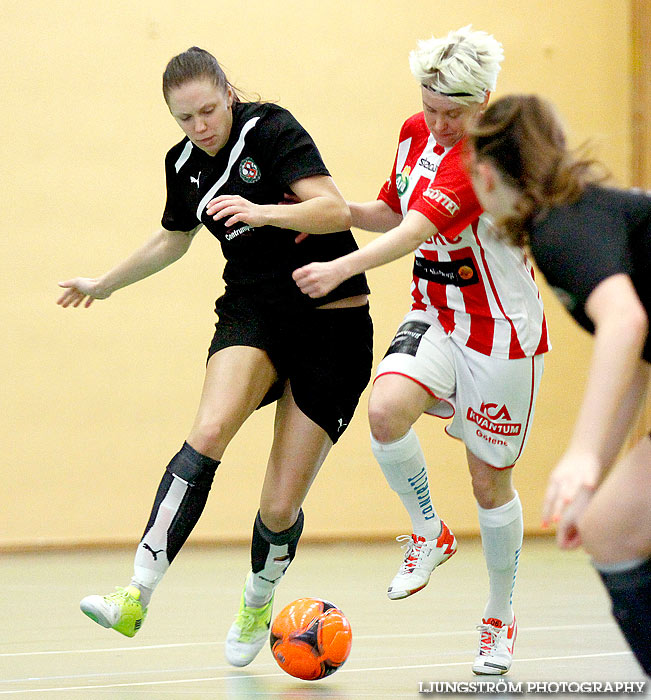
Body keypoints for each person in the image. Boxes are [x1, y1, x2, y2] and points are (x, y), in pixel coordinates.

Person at [57, 46, 373, 668]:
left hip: (331, 324)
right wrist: (106, 282)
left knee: (279, 505)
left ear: (228, 93)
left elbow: (334, 208)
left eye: (207, 110)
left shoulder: (270, 129)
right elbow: (172, 237)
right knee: (207, 430)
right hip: (254, 313)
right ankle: (136, 593)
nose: (200, 127)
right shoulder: (183, 163)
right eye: (185, 118)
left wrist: (261, 211)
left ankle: (258, 599)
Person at [293, 27, 549, 675]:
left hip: (499, 331)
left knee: (488, 484)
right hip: (434, 313)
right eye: (429, 107)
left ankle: (498, 615)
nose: (436, 124)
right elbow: (388, 209)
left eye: (451, 113)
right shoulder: (415, 130)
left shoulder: (483, 157)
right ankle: (428, 531)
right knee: (383, 411)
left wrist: (338, 268)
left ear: (482, 102)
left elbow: (411, 232)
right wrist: (310, 213)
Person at [468, 93, 650, 676]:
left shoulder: (561, 226)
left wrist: (580, 460)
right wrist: (592, 476)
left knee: (617, 532)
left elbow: (625, 323)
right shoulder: (586, 213)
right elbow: (637, 357)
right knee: (610, 528)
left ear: (488, 174)